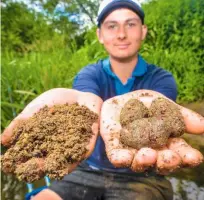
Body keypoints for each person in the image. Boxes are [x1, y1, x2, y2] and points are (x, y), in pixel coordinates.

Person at [1, 1, 203, 200]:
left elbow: (163, 121)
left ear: (143, 31)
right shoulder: (89, 74)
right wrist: (82, 103)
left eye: (130, 24)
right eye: (111, 26)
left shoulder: (162, 79)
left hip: (141, 178)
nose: (121, 34)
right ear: (100, 35)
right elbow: (85, 100)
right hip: (88, 170)